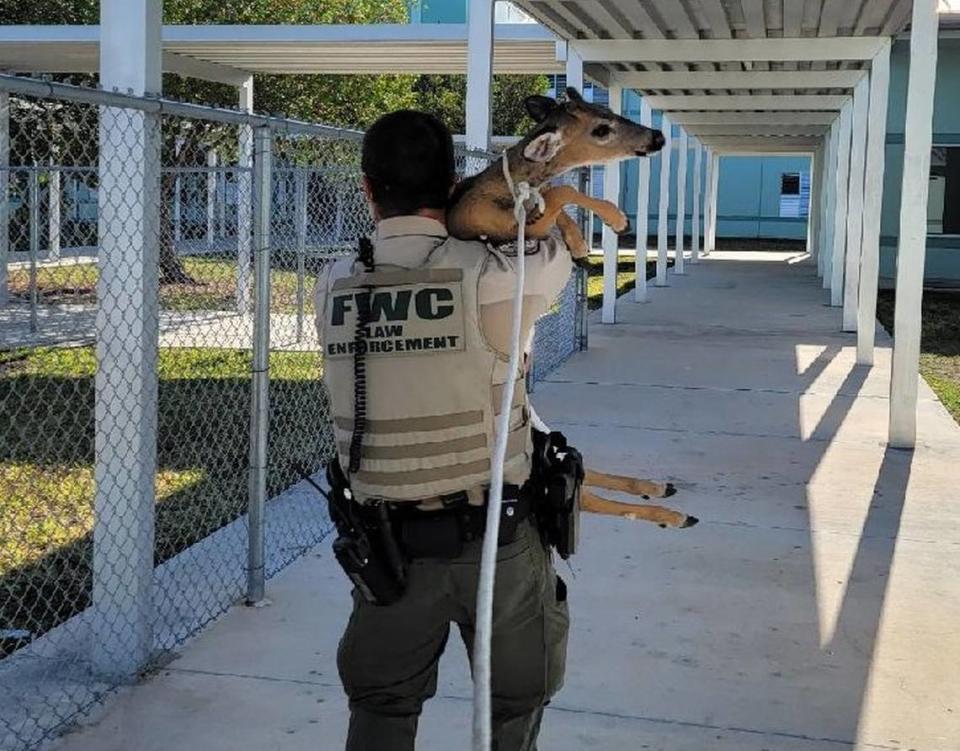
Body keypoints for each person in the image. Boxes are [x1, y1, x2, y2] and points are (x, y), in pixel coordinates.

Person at [314, 109, 573, 751]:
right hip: (498, 543)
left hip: (389, 553)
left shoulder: (331, 282)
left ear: (368, 189)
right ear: (454, 183)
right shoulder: (499, 273)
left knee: (381, 707)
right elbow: (560, 251)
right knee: (515, 705)